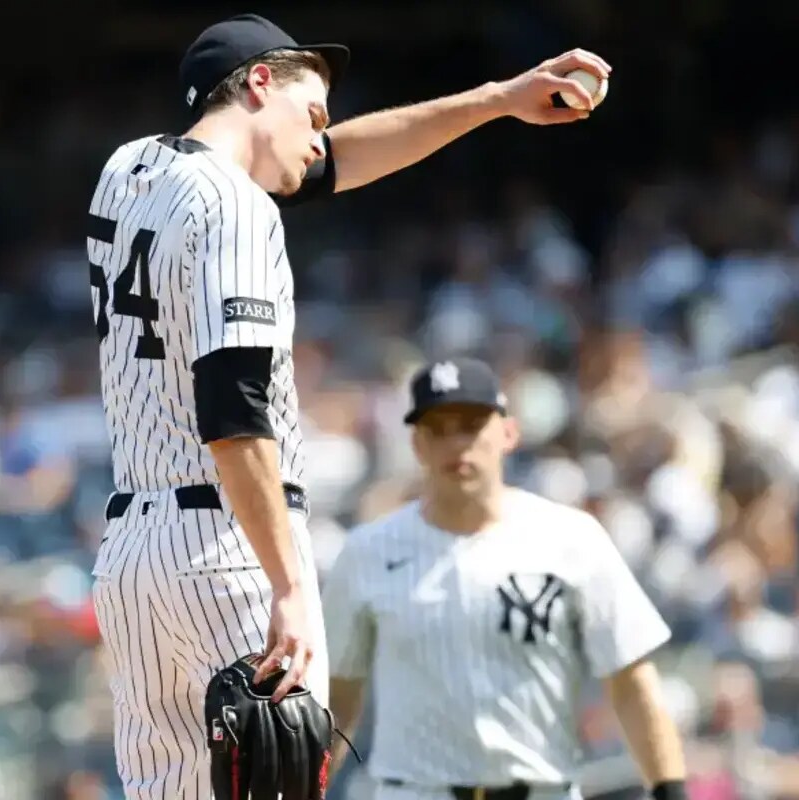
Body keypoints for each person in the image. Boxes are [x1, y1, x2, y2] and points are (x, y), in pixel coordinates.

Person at [85, 12, 611, 800]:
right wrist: (290, 586)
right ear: (259, 82)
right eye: (313, 113)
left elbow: (334, 161)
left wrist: (498, 99)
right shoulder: (238, 207)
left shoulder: (127, 172)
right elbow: (234, 412)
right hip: (229, 549)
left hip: (134, 556)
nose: (320, 137)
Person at [321, 357, 688, 800]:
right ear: (417, 444)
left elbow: (631, 683)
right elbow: (338, 702)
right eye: (438, 429)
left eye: (472, 426)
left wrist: (670, 791)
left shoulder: (572, 538)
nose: (457, 444)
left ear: (509, 433)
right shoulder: (367, 552)